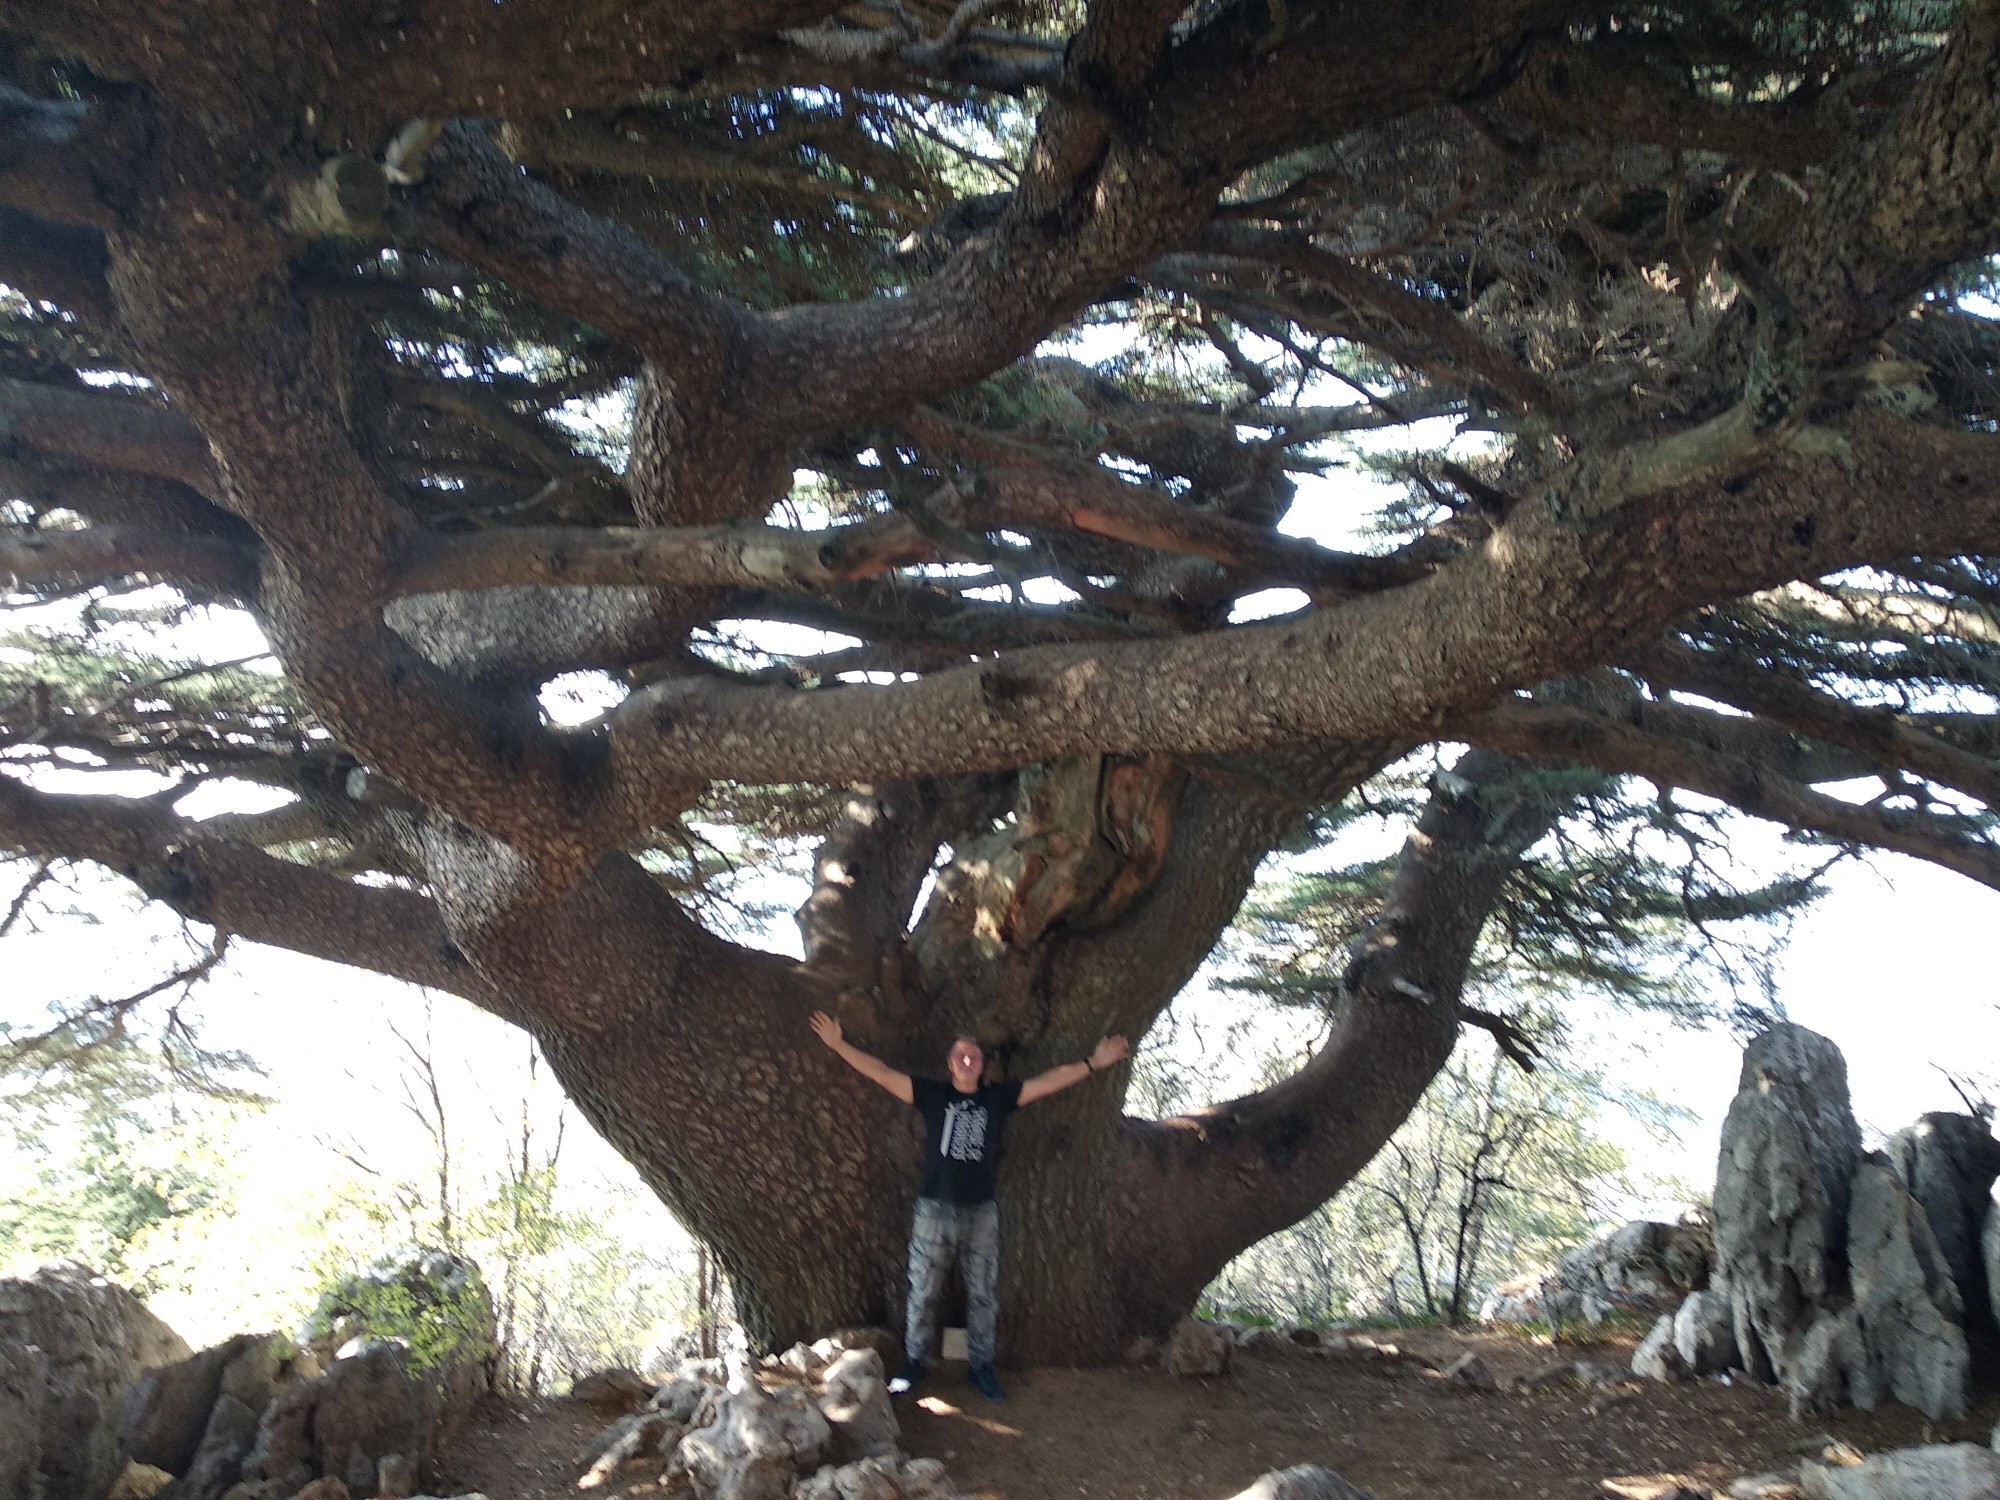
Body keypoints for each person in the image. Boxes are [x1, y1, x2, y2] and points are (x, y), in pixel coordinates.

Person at [809, 1010, 1130, 1402]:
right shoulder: (932, 1095)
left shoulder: (997, 1098)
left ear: (982, 1066)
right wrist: (839, 1044)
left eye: (973, 1056)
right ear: (949, 1064)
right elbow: (881, 1072)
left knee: (983, 1294)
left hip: (982, 1213)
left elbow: (1047, 1082)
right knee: (923, 1291)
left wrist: (1093, 1064)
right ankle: (914, 1364)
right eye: (960, 1055)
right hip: (933, 1211)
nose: (966, 1060)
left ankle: (981, 1368)